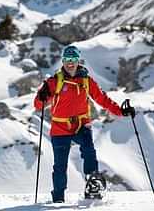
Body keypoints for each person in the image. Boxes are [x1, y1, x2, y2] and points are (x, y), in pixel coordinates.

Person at [33, 45, 135, 203]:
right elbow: (38, 106)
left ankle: (93, 183)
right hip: (60, 128)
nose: (70, 63)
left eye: (73, 59)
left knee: (89, 151)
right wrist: (42, 95)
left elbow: (102, 99)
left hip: (81, 125)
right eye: (67, 60)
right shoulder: (55, 82)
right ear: (63, 61)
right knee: (60, 166)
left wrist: (120, 111)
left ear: (78, 60)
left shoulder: (86, 80)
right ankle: (58, 198)